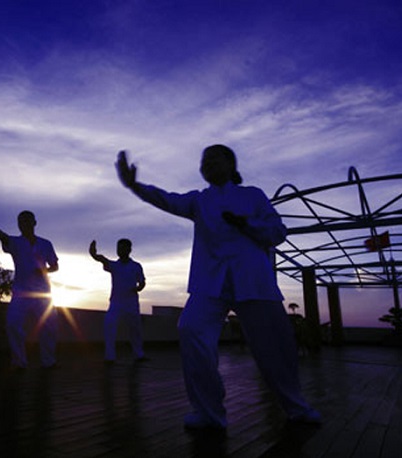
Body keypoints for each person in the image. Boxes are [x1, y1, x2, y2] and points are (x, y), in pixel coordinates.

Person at [115, 145, 320, 431]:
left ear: (232, 164)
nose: (207, 163)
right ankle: (208, 412)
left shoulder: (253, 195)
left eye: (214, 158)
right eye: (204, 160)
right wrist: (134, 185)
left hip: (253, 281)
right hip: (210, 282)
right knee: (191, 329)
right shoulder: (200, 201)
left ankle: (297, 408)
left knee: (275, 347)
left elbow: (278, 233)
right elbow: (166, 199)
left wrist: (246, 223)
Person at [0, 208, 59, 369]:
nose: (24, 224)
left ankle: (49, 361)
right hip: (21, 293)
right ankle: (19, 361)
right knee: (13, 324)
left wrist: (44, 271)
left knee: (49, 326)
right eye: (21, 222)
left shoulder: (46, 244)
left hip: (43, 294)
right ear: (18, 224)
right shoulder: (15, 243)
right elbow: (0, 234)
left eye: (28, 221)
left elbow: (55, 266)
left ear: (34, 223)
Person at [89, 239, 148, 364]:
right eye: (118, 248)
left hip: (131, 303)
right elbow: (102, 259)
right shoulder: (114, 266)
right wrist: (93, 254)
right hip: (116, 302)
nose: (120, 250)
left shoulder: (136, 266)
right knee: (109, 325)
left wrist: (138, 288)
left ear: (129, 249)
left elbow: (142, 282)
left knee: (135, 329)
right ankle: (110, 356)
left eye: (123, 248)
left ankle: (139, 354)